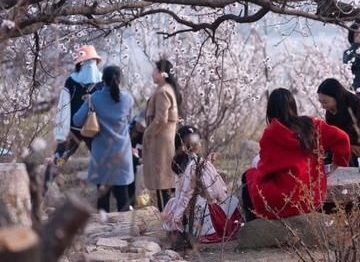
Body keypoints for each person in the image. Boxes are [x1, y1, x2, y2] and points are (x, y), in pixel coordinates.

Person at [242, 88, 350, 220]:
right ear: (293, 106)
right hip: (311, 197)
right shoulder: (312, 125)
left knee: (248, 176)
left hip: (284, 201)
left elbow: (265, 170)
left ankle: (252, 224)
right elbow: (343, 138)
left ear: (270, 111)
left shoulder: (270, 134)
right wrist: (338, 163)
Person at [163, 125, 240, 247]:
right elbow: (213, 192)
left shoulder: (178, 162)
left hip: (181, 207)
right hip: (200, 209)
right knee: (232, 202)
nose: (199, 143)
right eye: (197, 141)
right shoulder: (198, 163)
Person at [72, 65, 134, 212]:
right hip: (122, 154)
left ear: (102, 80)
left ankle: (103, 233)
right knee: (123, 197)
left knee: (102, 200)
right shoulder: (128, 98)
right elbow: (130, 120)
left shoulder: (94, 98)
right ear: (119, 80)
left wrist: (89, 104)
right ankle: (125, 232)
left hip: (101, 155)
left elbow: (76, 120)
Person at [46, 45, 103, 191]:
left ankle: (39, 197)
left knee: (59, 160)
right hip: (91, 131)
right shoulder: (101, 81)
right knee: (100, 164)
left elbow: (63, 108)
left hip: (75, 131)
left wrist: (61, 134)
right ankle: (104, 206)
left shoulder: (71, 81)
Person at [139, 59, 181, 211]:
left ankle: (167, 220)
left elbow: (160, 119)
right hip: (163, 142)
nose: (152, 73)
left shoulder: (163, 91)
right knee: (165, 182)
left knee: (164, 183)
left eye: (155, 70)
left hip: (160, 143)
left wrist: (147, 134)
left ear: (162, 73)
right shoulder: (167, 89)